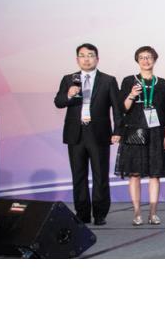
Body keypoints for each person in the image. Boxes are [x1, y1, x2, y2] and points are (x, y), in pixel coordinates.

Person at [53, 43, 121, 225]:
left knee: (100, 175)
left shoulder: (108, 80)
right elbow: (58, 102)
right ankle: (82, 213)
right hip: (75, 133)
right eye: (82, 55)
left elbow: (117, 108)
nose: (86, 59)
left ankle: (100, 214)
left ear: (97, 59)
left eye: (90, 55)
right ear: (77, 59)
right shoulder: (69, 79)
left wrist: (117, 131)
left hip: (99, 133)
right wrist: (69, 95)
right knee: (78, 175)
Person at [114, 46, 165, 226]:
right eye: (142, 57)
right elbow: (122, 108)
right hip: (135, 131)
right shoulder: (129, 81)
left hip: (156, 133)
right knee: (135, 174)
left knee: (155, 174)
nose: (146, 60)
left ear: (154, 60)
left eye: (149, 57)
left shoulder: (162, 84)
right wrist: (132, 95)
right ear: (137, 60)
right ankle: (137, 213)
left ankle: (153, 213)